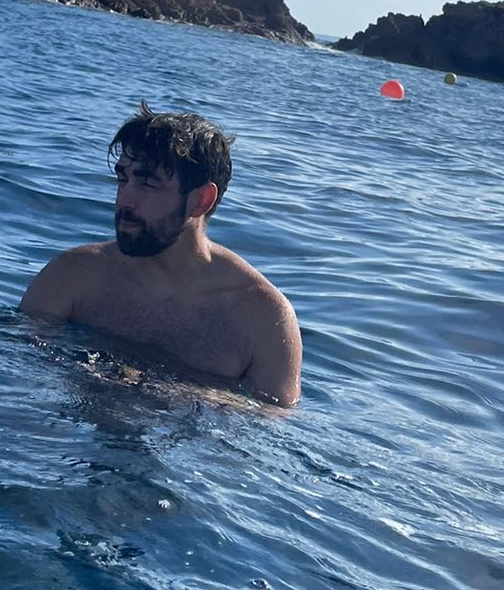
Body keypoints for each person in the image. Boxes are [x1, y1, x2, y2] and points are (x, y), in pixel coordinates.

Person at [20, 103, 302, 407]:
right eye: (123, 179)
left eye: (147, 184)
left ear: (201, 200)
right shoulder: (72, 276)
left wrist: (167, 390)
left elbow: (272, 418)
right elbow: (18, 368)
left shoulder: (264, 319)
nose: (124, 199)